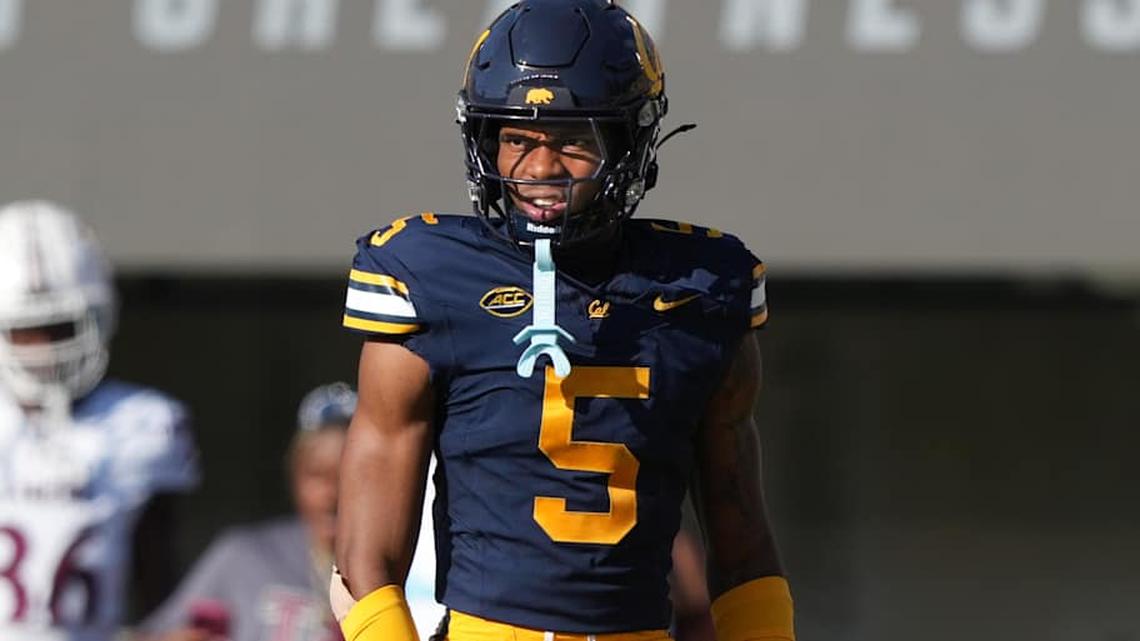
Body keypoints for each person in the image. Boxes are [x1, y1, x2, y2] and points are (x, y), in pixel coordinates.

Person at [332, 2, 794, 640]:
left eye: (573, 139)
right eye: (518, 138)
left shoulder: (705, 287)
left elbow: (742, 544)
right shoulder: (428, 273)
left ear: (630, 142)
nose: (541, 170)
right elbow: (362, 554)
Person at [0, 200, 200, 641]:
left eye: (61, 327)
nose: (45, 348)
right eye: (25, 330)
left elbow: (159, 587)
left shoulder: (144, 423)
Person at [138, 382, 444, 641]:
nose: (332, 493)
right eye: (316, 475)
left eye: (348, 476)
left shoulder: (420, 563)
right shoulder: (244, 554)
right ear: (294, 476)